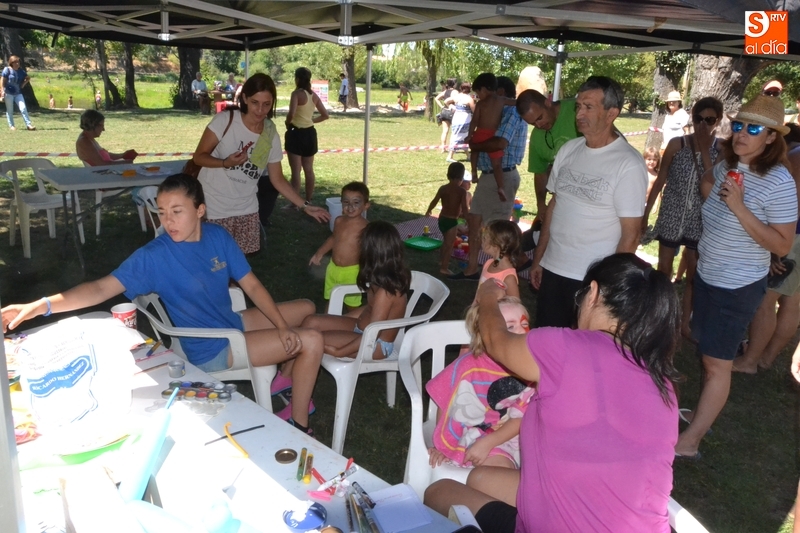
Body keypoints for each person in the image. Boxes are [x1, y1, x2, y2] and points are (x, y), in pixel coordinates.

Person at [1, 174, 324, 435]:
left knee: (306, 308)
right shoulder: (154, 257)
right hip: (212, 347)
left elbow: (251, 284)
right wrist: (40, 305)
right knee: (311, 340)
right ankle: (299, 424)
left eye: (177, 211)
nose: (167, 221)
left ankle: (283, 379)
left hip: (230, 323)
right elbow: (99, 288)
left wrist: (281, 327)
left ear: (200, 210)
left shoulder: (218, 236)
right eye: (162, 211)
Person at [424, 253, 680, 533]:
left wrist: (486, 297)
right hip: (631, 520)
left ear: (593, 293)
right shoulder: (662, 383)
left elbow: (496, 341)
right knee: (480, 478)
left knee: (438, 492)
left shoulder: (566, 349)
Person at [675, 95, 797, 459]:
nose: (742, 133)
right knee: (707, 352)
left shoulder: (779, 182)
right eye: (739, 125)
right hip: (709, 276)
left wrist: (739, 208)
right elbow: (707, 185)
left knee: (717, 363)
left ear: (772, 137)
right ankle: (701, 415)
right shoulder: (729, 164)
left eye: (754, 129)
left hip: (737, 286)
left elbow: (782, 244)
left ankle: (691, 441)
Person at [529, 76, 648, 328]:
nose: (579, 114)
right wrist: (539, 258)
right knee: (546, 342)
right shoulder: (568, 150)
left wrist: (608, 286)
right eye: (578, 106)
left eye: (588, 107)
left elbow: (631, 235)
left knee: (580, 348)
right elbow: (554, 207)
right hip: (553, 269)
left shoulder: (628, 163)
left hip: (592, 281)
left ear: (611, 113)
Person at [191, 73, 329, 254]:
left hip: (246, 210)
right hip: (214, 207)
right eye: (255, 102)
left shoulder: (270, 134)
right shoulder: (225, 120)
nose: (260, 110)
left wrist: (305, 206)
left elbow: (277, 179)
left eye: (266, 104)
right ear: (245, 98)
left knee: (240, 265)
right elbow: (199, 157)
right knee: (213, 264)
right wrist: (225, 162)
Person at [643, 97, 723, 338]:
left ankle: (685, 322)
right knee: (664, 269)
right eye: (698, 118)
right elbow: (661, 179)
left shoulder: (721, 149)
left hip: (700, 217)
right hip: (672, 213)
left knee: (694, 275)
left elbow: (713, 182)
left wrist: (705, 149)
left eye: (709, 120)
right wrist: (646, 212)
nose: (703, 125)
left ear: (718, 121)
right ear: (692, 118)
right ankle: (659, 315)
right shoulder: (677, 144)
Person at [427, 296, 533, 470]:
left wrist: (489, 443)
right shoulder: (468, 366)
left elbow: (522, 417)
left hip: (513, 437)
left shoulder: (530, 368)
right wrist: (444, 447)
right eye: (510, 326)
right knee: (497, 470)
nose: (521, 331)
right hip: (473, 434)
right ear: (486, 335)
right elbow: (447, 402)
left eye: (524, 324)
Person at [733, 123, 800, 374]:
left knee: (766, 300)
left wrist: (775, 251)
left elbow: (791, 206)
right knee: (793, 302)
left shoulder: (796, 158)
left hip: (793, 237)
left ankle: (751, 360)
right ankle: (766, 357)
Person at [450, 76, 527, 282]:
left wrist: (475, 145)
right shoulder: (498, 108)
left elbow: (500, 143)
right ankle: (472, 269)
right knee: (475, 221)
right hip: (489, 176)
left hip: (502, 175)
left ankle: (511, 267)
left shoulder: (512, 112)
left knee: (499, 229)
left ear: (499, 92)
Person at [302, 221, 411, 360]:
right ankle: (287, 371)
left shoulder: (386, 292)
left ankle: (288, 373)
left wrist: (339, 352)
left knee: (311, 339)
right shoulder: (379, 278)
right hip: (361, 330)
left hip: (374, 345)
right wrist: (338, 321)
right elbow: (370, 308)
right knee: (311, 321)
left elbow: (372, 334)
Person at [516, 89, 580, 216]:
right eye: (533, 123)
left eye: (540, 118)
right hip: (563, 200)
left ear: (548, 103)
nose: (539, 125)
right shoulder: (536, 137)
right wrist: (541, 205)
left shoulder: (576, 109)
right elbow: (540, 173)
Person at [310, 182, 370, 309]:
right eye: (346, 202)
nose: (350, 206)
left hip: (352, 273)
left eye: (356, 202)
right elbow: (333, 238)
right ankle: (327, 319)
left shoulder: (366, 227)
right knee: (332, 299)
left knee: (352, 305)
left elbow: (371, 250)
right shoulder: (339, 221)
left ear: (366, 205)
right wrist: (319, 253)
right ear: (341, 203)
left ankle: (354, 320)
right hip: (333, 269)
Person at [285, 67, 329, 203]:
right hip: (310, 133)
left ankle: (295, 203)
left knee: (296, 171)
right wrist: (310, 121)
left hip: (296, 133)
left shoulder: (296, 94)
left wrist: (287, 122)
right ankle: (308, 200)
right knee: (309, 170)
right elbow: (325, 115)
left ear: (297, 79)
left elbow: (291, 113)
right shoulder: (313, 95)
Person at [468, 73, 515, 194]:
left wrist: (469, 134)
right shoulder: (502, 100)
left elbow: (474, 121)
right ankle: (501, 187)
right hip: (493, 135)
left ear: (483, 89)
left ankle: (474, 172)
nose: (478, 96)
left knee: (474, 151)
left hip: (480, 132)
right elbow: (515, 102)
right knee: (497, 164)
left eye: (478, 93)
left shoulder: (480, 104)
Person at [426, 162, 469, 275]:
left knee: (445, 242)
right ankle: (444, 267)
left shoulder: (443, 188)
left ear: (448, 175)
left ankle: (442, 261)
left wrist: (429, 210)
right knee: (449, 245)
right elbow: (465, 208)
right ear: (461, 177)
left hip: (442, 219)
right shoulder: (462, 191)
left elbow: (434, 201)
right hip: (452, 221)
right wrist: (468, 219)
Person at [476, 220, 521, 299]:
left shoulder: (509, 278)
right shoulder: (488, 263)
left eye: (485, 238)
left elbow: (515, 304)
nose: (481, 240)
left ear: (495, 247)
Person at [1, 55, 35, 131]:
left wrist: (23, 84)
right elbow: (2, 80)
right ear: (11, 63)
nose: (17, 64)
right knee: (10, 110)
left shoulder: (21, 71)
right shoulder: (7, 70)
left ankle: (29, 125)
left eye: (18, 62)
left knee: (23, 108)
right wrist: (2, 90)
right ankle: (11, 126)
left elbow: (27, 78)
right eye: (15, 62)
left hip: (18, 93)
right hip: (8, 93)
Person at [444, 82, 475, 163]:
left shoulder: (457, 96)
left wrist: (451, 107)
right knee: (458, 137)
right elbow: (474, 110)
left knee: (462, 136)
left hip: (456, 118)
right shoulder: (469, 99)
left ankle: (468, 155)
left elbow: (446, 101)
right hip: (465, 119)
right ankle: (450, 156)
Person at [435, 79, 456, 152]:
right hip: (452, 112)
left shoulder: (445, 92)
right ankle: (452, 148)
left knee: (445, 131)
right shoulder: (455, 92)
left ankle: (443, 148)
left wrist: (441, 106)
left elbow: (436, 98)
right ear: (454, 84)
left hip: (444, 111)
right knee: (454, 131)